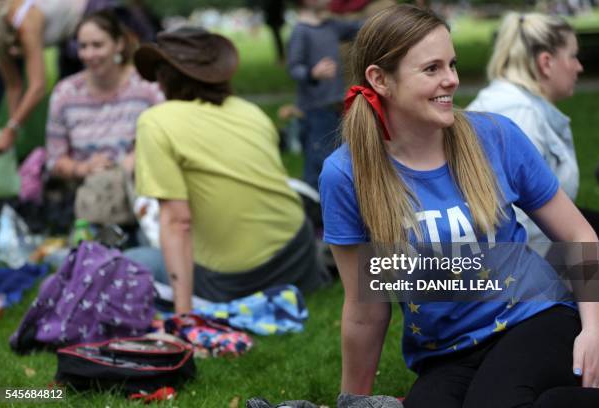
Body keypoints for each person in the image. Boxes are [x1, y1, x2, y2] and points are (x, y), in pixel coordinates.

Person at [319, 4, 599, 407]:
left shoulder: (496, 136)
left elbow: (578, 233)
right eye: (432, 68)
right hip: (444, 351)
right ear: (379, 79)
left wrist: (592, 330)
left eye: (451, 64)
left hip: (535, 317)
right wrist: (353, 400)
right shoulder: (346, 174)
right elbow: (365, 309)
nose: (452, 80)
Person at [133, 28, 330, 313]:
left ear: (165, 77)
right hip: (298, 259)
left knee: (138, 251)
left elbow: (177, 222)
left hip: (232, 281)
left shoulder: (155, 122)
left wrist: (183, 313)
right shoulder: (250, 111)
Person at [468, 12, 599, 244]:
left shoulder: (515, 104)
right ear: (546, 62)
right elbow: (520, 225)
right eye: (573, 57)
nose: (579, 67)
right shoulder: (521, 116)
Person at [45, 10, 163, 183]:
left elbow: (167, 140)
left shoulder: (147, 88)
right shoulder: (65, 93)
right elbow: (54, 160)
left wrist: (135, 160)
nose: (89, 54)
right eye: (83, 46)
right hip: (89, 196)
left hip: (142, 190)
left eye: (97, 45)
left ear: (119, 44)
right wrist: (83, 169)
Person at [287, 0, 362, 190]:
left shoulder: (331, 26)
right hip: (315, 109)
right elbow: (294, 68)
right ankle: (313, 206)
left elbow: (360, 27)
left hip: (336, 105)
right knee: (318, 159)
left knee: (338, 155)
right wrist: (313, 72)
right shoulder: (301, 31)